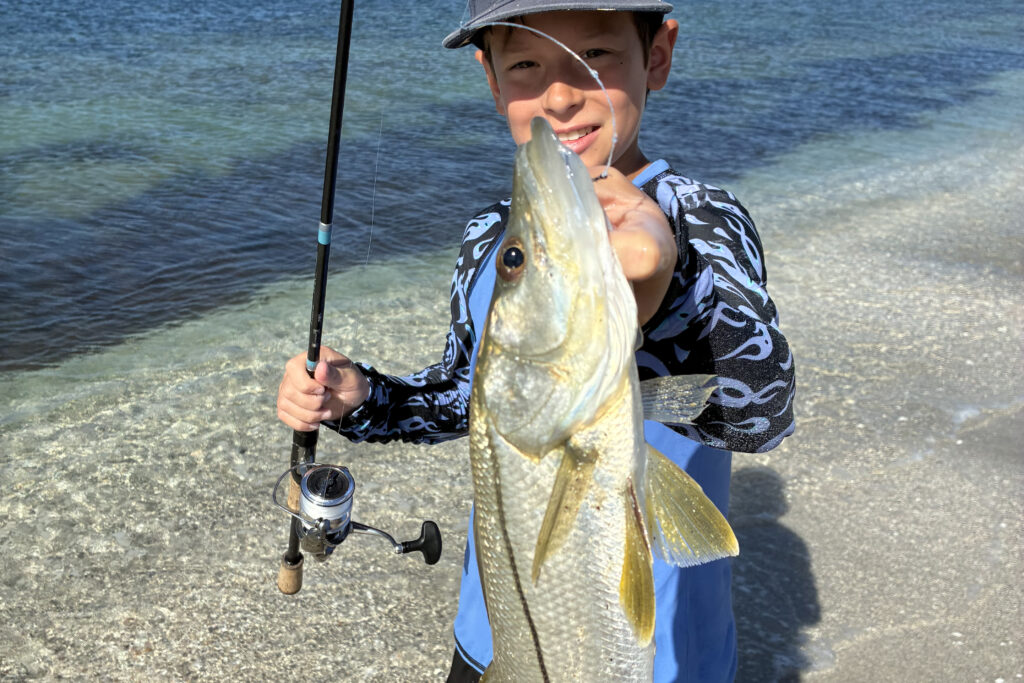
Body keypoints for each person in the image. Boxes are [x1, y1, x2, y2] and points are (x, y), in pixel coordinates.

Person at [276, 2, 796, 681]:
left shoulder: (703, 221)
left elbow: (763, 413)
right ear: (492, 80)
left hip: (665, 662)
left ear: (657, 55)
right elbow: (469, 397)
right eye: (525, 63)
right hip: (501, 640)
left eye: (596, 55)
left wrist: (666, 277)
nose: (559, 96)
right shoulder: (488, 237)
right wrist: (367, 398)